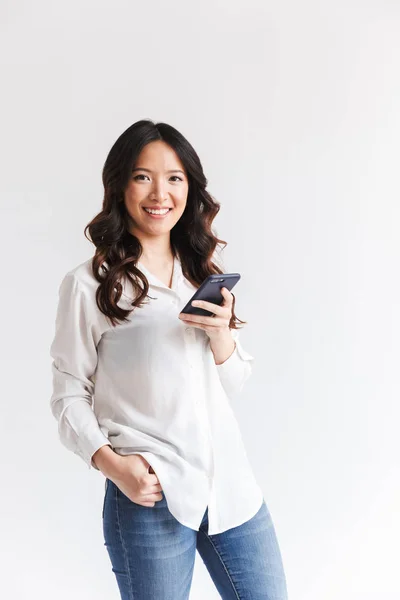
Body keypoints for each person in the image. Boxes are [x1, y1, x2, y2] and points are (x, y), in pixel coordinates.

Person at [49, 119, 288, 600]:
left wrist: (222, 335)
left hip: (230, 489)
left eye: (174, 178)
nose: (160, 193)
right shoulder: (90, 285)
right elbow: (68, 392)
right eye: (143, 176)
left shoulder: (202, 275)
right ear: (119, 185)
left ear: (190, 188)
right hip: (149, 496)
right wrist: (113, 466)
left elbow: (234, 383)